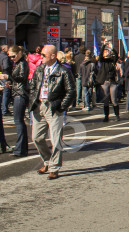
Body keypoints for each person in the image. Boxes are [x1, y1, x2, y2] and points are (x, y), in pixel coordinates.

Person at [29, 45, 76, 179]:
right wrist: (33, 101)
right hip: (39, 106)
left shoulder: (63, 71)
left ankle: (54, 167)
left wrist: (62, 106)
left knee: (56, 140)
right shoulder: (39, 69)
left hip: (54, 107)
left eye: (43, 55)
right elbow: (33, 86)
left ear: (53, 56)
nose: (41, 57)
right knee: (37, 138)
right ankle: (48, 161)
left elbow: (71, 90)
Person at [7, 46, 29, 157]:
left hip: (20, 94)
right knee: (19, 121)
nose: (11, 58)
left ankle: (20, 149)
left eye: (13, 56)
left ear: (19, 53)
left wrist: (9, 77)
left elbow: (21, 78)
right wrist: (10, 82)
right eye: (10, 56)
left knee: (18, 121)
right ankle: (22, 148)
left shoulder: (22, 63)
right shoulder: (19, 63)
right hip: (18, 93)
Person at [94, 45, 120, 122]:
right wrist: (103, 45)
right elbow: (100, 56)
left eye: (107, 52)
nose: (106, 53)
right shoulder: (103, 61)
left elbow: (116, 55)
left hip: (112, 82)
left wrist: (112, 48)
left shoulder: (112, 61)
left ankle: (117, 115)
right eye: (105, 52)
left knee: (114, 99)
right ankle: (106, 116)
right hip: (104, 82)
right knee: (106, 100)